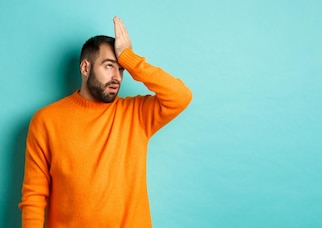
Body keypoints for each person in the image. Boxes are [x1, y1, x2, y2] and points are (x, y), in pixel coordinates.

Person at [19, 16, 192, 227]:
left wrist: (129, 58)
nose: (117, 77)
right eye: (109, 66)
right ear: (85, 68)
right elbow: (34, 197)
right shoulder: (46, 120)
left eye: (121, 69)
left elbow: (180, 96)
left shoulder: (137, 114)